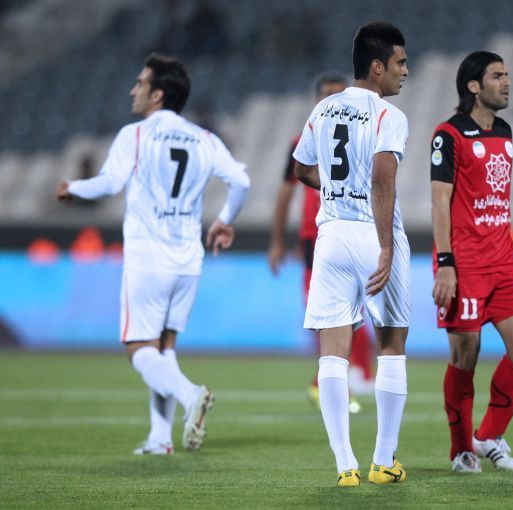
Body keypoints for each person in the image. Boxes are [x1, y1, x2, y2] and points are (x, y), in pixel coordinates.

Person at [56, 53, 250, 455]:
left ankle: (191, 394)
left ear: (158, 94)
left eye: (140, 83)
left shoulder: (136, 134)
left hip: (148, 258)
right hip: (188, 260)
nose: (134, 90)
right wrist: (224, 220)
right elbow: (242, 182)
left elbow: (110, 183)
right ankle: (160, 438)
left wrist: (72, 188)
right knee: (164, 349)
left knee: (138, 348)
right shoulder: (205, 138)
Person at [292, 21, 411, 487]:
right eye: (400, 62)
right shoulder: (388, 115)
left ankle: (345, 466)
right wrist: (386, 247)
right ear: (377, 66)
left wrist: (336, 190)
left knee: (332, 353)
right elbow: (383, 180)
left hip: (331, 236)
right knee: (391, 345)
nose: (405, 71)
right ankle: (382, 461)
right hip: (372, 234)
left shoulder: (323, 108)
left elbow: (301, 168)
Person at [430, 51, 513, 474]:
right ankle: (462, 450)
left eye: (507, 74)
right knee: (465, 357)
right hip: (465, 263)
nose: (507, 82)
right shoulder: (449, 134)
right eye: (497, 76)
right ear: (474, 86)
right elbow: (440, 201)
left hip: (503, 261)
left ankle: (489, 434)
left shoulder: (506, 130)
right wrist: (446, 263)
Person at [267, 73, 375, 414]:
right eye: (327, 95)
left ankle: (345, 377)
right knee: (330, 312)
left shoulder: (360, 134)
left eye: (338, 95)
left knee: (355, 310)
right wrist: (276, 241)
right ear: (317, 100)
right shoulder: (303, 140)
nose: (333, 101)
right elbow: (286, 192)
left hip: (352, 229)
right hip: (315, 236)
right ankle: (335, 382)